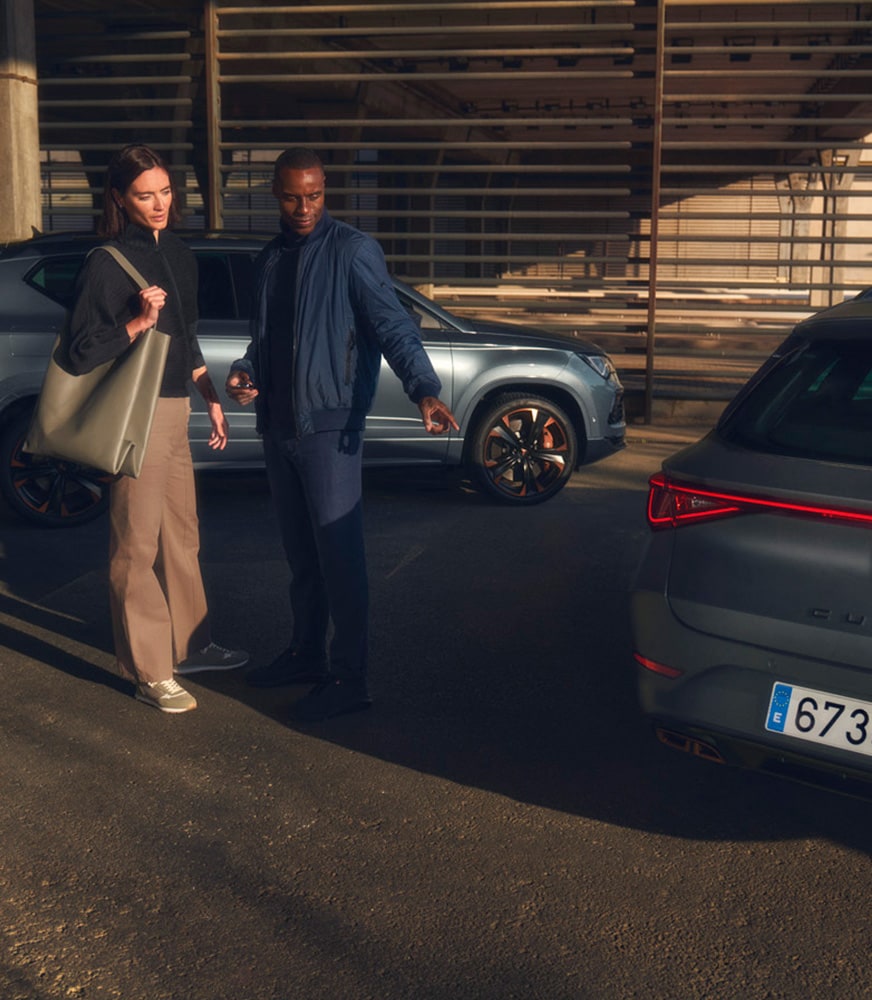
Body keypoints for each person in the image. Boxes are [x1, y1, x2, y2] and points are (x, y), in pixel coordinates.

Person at [226, 147, 458, 723]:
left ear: (326, 191)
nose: (304, 207)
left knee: (340, 558)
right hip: (279, 427)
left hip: (330, 428)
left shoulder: (353, 251)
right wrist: (246, 373)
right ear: (273, 194)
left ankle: (349, 678)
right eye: (291, 196)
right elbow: (267, 341)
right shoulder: (270, 259)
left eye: (315, 195)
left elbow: (393, 325)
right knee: (302, 558)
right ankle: (306, 654)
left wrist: (424, 389)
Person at [67, 143, 248, 713]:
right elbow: (79, 351)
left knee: (182, 534)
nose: (159, 203)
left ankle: (192, 644)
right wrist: (138, 322)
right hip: (134, 411)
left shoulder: (178, 251)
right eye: (145, 195)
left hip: (177, 407)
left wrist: (210, 395)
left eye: (166, 191)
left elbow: (188, 335)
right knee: (135, 544)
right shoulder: (106, 261)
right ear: (120, 198)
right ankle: (151, 669)